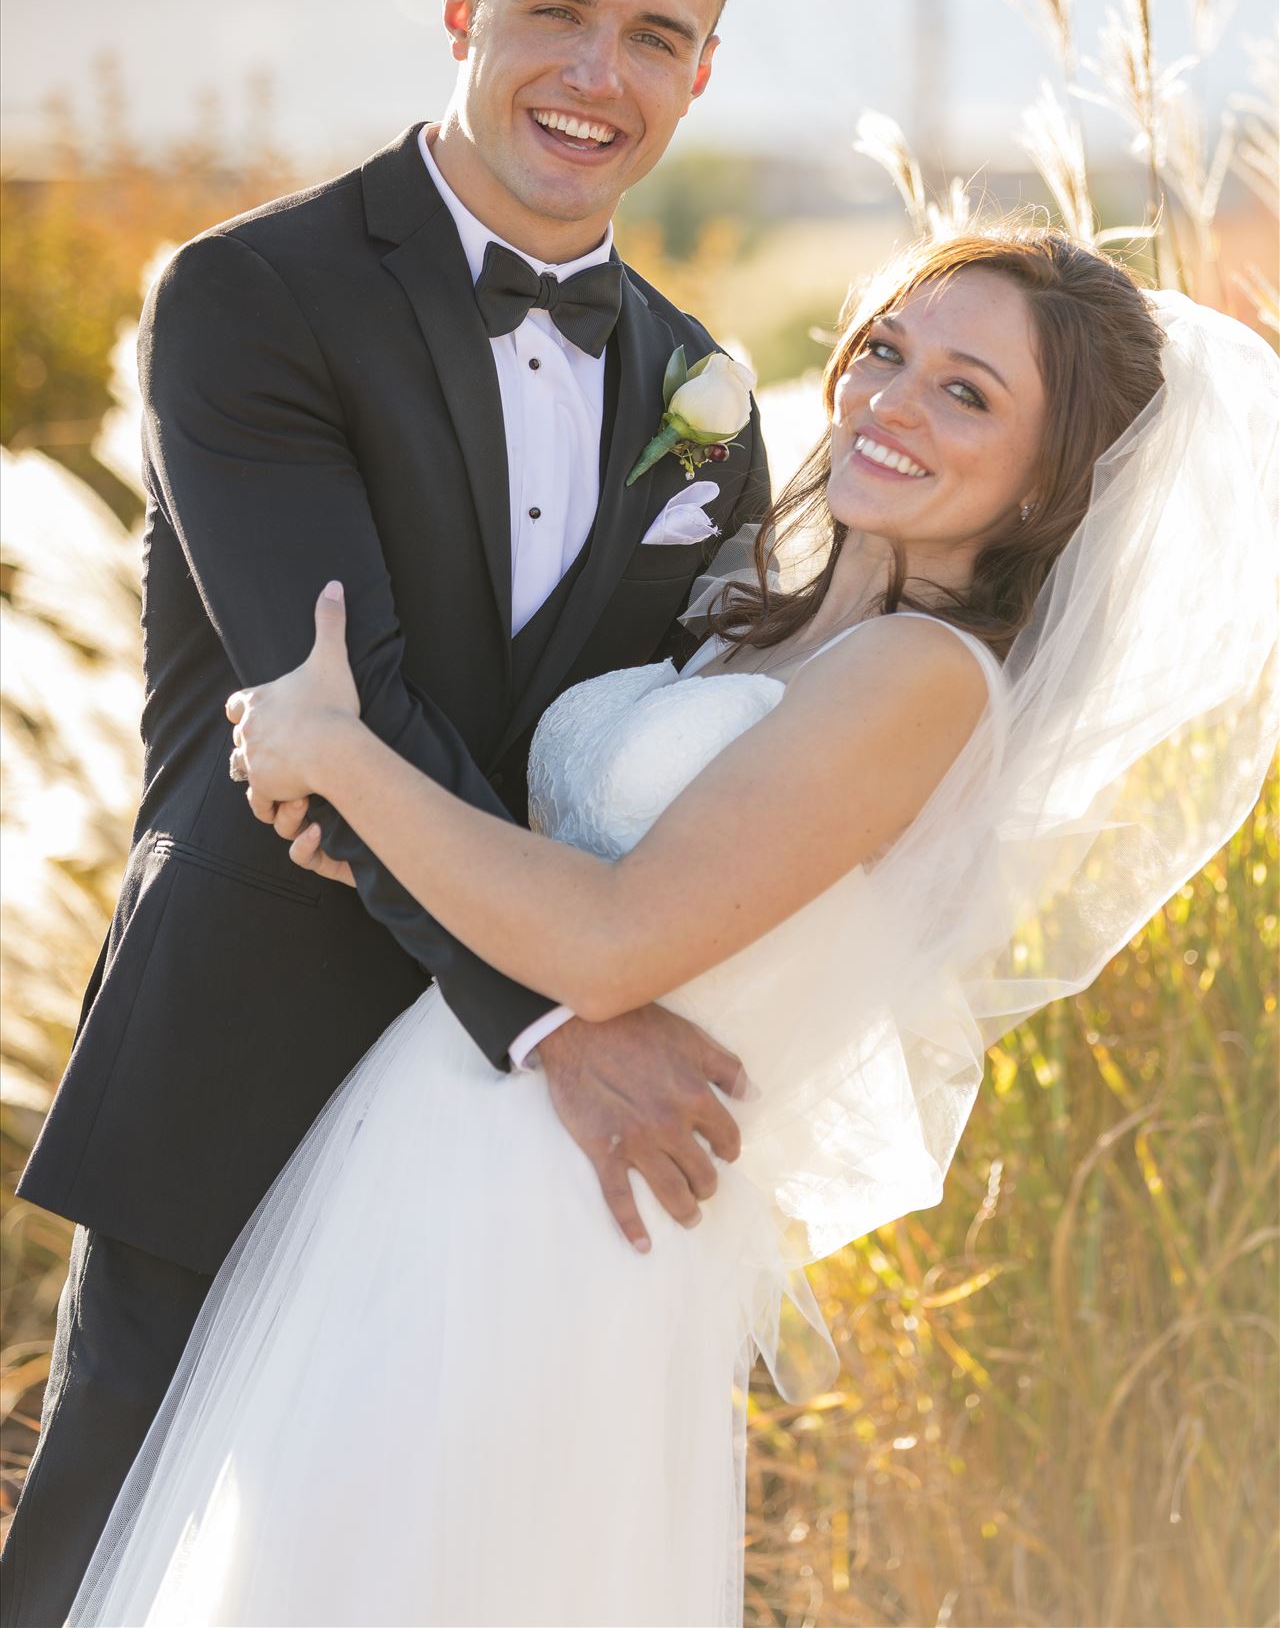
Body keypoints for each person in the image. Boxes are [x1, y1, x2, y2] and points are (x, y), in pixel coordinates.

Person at [68, 232, 1278, 1625]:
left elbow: (611, 943)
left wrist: (343, 759)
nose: (891, 401)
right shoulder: (765, 622)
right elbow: (579, 878)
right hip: (440, 1146)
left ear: (1056, 479)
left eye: (969, 394)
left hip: (562, 1216)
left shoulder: (924, 680)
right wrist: (367, 851)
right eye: (887, 348)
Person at [1, 0, 772, 1628]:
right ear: (462, 9)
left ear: (701, 71)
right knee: (107, 1555)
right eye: (556, 10)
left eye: (655, 36)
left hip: (501, 1158)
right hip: (259, 1042)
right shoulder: (249, 297)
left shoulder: (703, 395)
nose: (599, 75)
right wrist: (559, 1022)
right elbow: (333, 708)